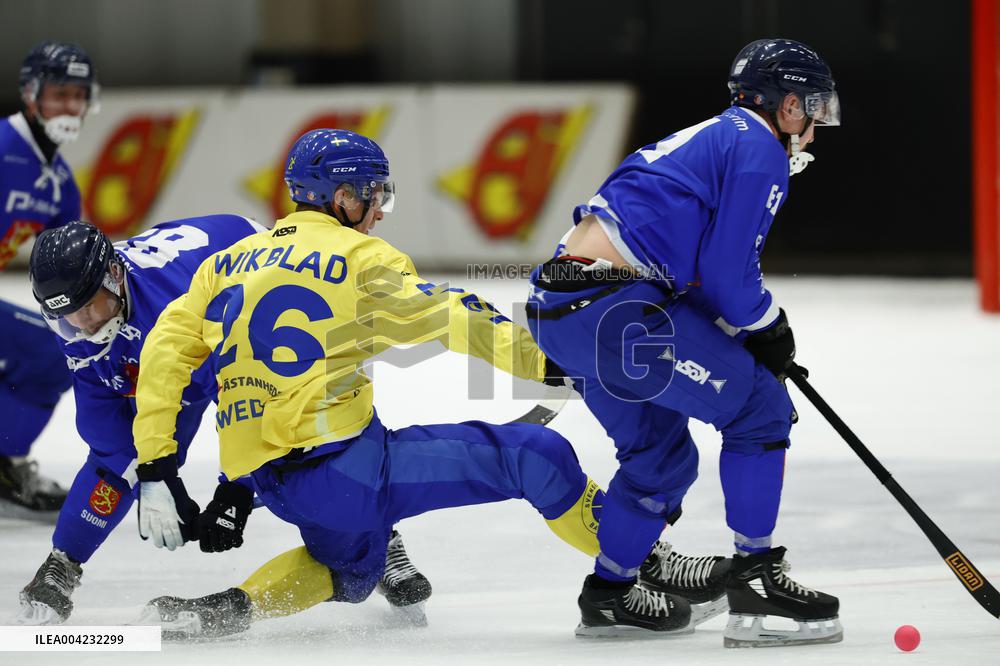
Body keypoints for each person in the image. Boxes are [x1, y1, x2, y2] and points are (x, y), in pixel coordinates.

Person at [128, 129, 731, 639]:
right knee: (538, 456)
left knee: (352, 571)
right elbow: (454, 317)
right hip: (348, 471)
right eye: (372, 195)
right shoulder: (366, 262)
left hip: (275, 483)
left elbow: (162, 354)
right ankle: (643, 568)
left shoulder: (221, 265)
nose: (381, 209)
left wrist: (156, 467)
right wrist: (557, 360)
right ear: (340, 198)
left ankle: (229, 609)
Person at [525, 39, 843, 647]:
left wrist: (738, 331)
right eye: (814, 108)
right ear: (790, 102)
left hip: (562, 310)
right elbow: (727, 275)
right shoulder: (757, 148)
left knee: (660, 460)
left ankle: (611, 597)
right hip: (617, 311)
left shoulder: (715, 136)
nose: (815, 125)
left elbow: (687, 271)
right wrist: (768, 327)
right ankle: (756, 586)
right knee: (759, 411)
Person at [19, 214, 432, 625]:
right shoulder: (77, 314)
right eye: (68, 317)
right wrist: (153, 469)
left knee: (302, 440)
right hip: (168, 335)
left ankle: (382, 537)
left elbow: (254, 408)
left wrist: (235, 492)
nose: (85, 329)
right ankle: (61, 566)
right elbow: (111, 444)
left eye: (91, 309)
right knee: (118, 453)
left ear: (114, 277)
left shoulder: (182, 305)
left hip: (250, 307)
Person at [0, 42, 98, 519]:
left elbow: (63, 271)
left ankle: (4, 460)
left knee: (59, 346)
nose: (69, 106)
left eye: (78, 95)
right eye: (59, 93)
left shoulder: (60, 181)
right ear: (30, 94)